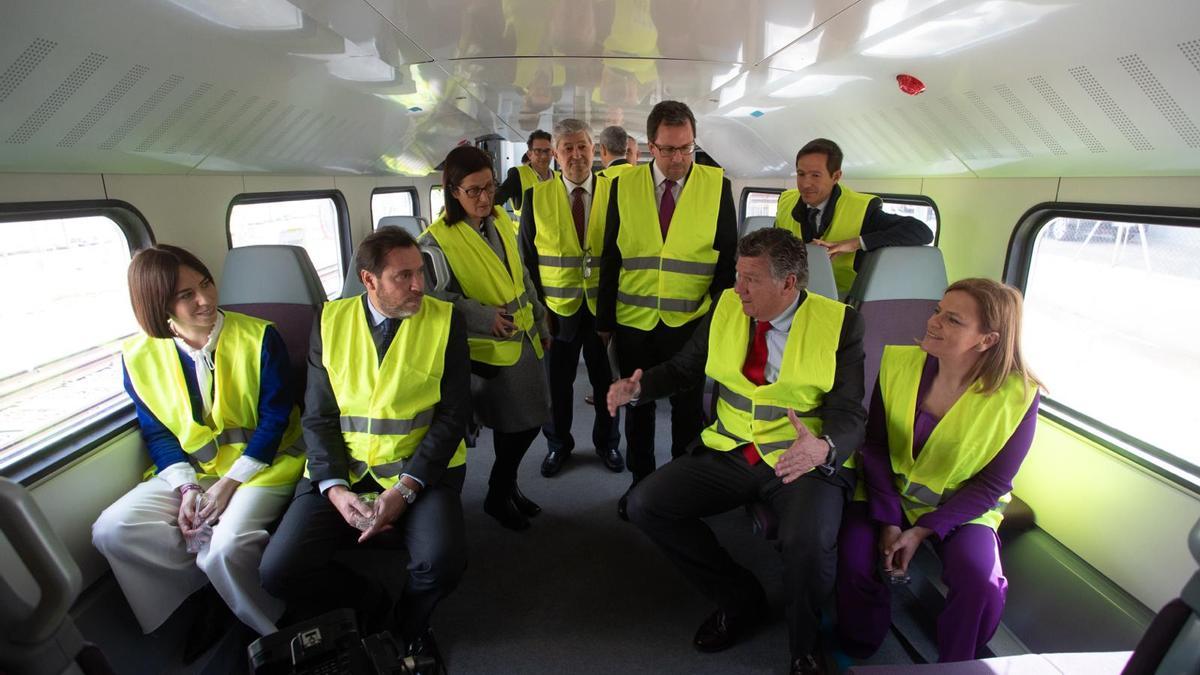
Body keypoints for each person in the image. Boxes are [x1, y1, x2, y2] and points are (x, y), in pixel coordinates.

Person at [613, 228, 866, 675]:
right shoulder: (727, 307)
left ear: (789, 283)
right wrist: (638, 388)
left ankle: (805, 647)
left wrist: (823, 448)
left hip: (798, 457)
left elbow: (849, 413)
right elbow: (683, 369)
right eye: (737, 274)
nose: (737, 288)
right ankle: (740, 599)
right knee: (645, 504)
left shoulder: (841, 323)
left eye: (750, 279)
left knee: (806, 542)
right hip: (732, 448)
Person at [258, 227, 470, 670]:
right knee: (278, 570)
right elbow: (318, 416)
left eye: (421, 273)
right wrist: (334, 488)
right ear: (368, 280)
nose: (419, 286)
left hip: (421, 471)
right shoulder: (329, 320)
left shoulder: (446, 320)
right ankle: (366, 601)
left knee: (442, 563)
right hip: (346, 470)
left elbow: (453, 417)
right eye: (403, 276)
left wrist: (406, 490)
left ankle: (407, 627)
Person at [92, 244, 304, 658]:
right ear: (159, 305)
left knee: (223, 548)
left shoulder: (260, 336)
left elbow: (275, 419)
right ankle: (207, 596)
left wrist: (229, 484)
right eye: (186, 294)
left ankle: (273, 626)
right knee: (113, 530)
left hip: (266, 464)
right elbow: (157, 434)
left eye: (205, 283)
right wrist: (188, 490)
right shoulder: (138, 356)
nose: (205, 299)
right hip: (194, 471)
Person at [836, 278, 1042, 663]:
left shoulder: (1019, 397)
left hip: (963, 507)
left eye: (953, 320)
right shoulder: (899, 362)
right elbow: (875, 446)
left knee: (979, 582)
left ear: (987, 340)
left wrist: (923, 529)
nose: (934, 322)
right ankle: (861, 645)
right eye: (937, 311)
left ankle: (957, 663)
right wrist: (889, 521)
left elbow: (994, 483)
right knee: (854, 556)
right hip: (887, 491)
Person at [597, 99, 738, 519]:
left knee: (687, 412)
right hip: (633, 323)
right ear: (651, 147)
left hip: (690, 322)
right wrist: (605, 323)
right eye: (669, 149)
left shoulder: (718, 187)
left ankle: (680, 490)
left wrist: (715, 321)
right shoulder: (624, 186)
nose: (678, 159)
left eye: (686, 148)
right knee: (638, 410)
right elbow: (611, 257)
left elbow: (726, 262)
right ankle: (640, 487)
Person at [421, 144, 552, 531]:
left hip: (523, 340)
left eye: (489, 187)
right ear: (453, 192)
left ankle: (505, 487)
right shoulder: (436, 241)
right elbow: (432, 296)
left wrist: (541, 324)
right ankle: (498, 494)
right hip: (486, 352)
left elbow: (523, 276)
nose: (484, 197)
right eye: (473, 190)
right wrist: (481, 316)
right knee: (517, 423)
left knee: (525, 422)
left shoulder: (500, 223)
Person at [519, 118, 623, 478]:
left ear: (595, 150)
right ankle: (558, 445)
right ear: (555, 156)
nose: (576, 155)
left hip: (603, 313)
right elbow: (527, 263)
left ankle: (608, 444)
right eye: (568, 148)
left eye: (583, 146)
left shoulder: (617, 193)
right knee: (557, 388)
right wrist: (539, 312)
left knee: (606, 385)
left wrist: (611, 316)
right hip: (556, 312)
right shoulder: (535, 197)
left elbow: (619, 257)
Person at [774, 138, 932, 296]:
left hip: (840, 302)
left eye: (815, 175)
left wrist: (856, 243)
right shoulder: (786, 201)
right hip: (789, 296)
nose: (805, 184)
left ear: (836, 176)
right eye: (801, 174)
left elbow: (921, 231)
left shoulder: (862, 209)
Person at [495, 129, 556, 218]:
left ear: (552, 153)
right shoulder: (517, 175)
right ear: (529, 154)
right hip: (525, 232)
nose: (543, 156)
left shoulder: (559, 177)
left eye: (547, 151)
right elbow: (497, 200)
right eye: (538, 151)